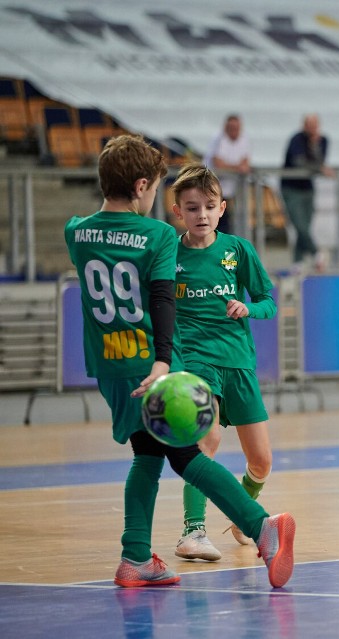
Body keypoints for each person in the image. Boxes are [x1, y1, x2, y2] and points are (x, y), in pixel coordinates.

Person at [64, 134, 295, 588]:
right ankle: (262, 528)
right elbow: (163, 299)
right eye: (155, 191)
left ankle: (135, 559)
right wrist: (164, 361)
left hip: (110, 365)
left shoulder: (76, 231)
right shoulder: (158, 235)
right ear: (143, 185)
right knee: (186, 453)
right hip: (153, 362)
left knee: (147, 455)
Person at [169, 163, 277, 561]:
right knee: (207, 437)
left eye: (209, 207)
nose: (201, 215)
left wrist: (247, 309)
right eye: (192, 207)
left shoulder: (237, 250)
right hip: (196, 359)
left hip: (239, 363)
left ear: (222, 208)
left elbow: (268, 302)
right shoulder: (170, 253)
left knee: (261, 462)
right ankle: (192, 532)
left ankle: (241, 517)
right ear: (177, 210)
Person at [280, 113, 335, 272]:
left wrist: (314, 147)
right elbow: (299, 162)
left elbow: (320, 161)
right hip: (291, 188)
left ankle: (298, 262)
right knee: (299, 225)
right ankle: (316, 253)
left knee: (305, 227)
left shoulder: (322, 141)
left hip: (307, 189)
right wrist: (319, 168)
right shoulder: (296, 140)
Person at [204, 114, 251, 235]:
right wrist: (237, 167)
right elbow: (217, 162)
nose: (234, 132)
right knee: (218, 221)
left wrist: (237, 167)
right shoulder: (218, 139)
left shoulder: (244, 139)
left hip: (233, 189)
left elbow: (246, 162)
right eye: (231, 128)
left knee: (230, 220)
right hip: (214, 187)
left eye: (237, 128)